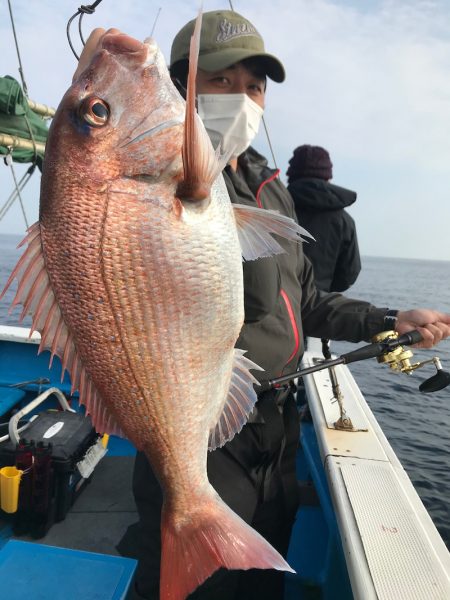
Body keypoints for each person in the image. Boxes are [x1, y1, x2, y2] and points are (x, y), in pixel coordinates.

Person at [74, 10, 450, 600]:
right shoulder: (161, 182)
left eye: (253, 86)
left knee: (258, 582)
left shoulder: (270, 186)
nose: (241, 97)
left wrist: (387, 320)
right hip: (202, 431)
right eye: (220, 79)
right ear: (180, 87)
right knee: (192, 585)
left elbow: (303, 301)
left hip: (276, 425)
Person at [287, 144, 361, 293]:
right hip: (317, 307)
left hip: (275, 306)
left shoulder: (271, 207)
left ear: (291, 174)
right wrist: (321, 290)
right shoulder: (345, 221)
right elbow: (349, 274)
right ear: (328, 177)